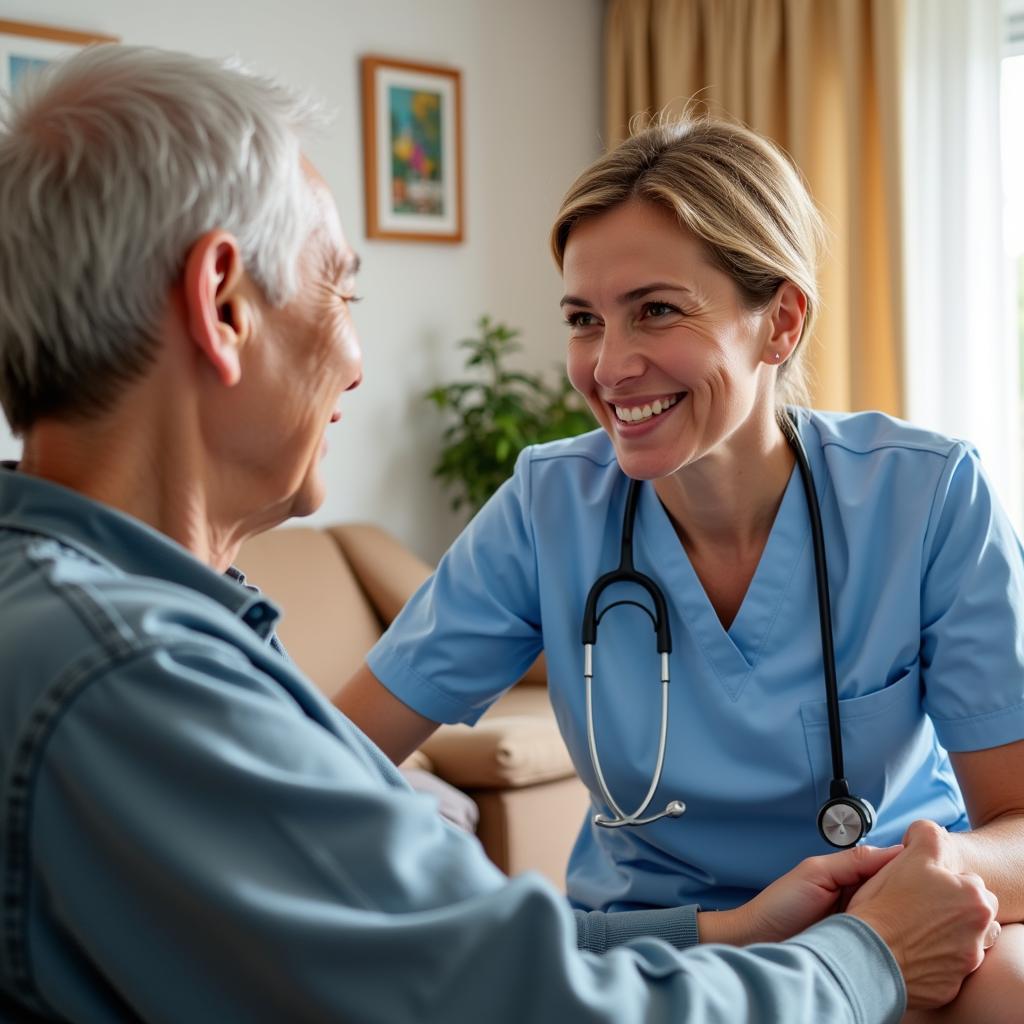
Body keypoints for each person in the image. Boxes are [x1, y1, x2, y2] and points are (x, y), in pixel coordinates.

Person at [0, 45, 997, 1024]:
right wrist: (861, 955)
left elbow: (429, 925)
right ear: (223, 304)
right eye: (341, 293)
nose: (355, 362)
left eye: (654, 311)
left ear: (779, 323)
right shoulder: (131, 672)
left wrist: (756, 928)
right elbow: (515, 995)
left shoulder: (102, 626)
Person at [338, 115, 1024, 1019]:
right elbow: (321, 763)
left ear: (779, 321)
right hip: (659, 947)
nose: (609, 366)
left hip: (892, 926)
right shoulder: (551, 509)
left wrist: (926, 879)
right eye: (585, 320)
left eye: (656, 310)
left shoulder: (926, 498)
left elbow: (1017, 828)